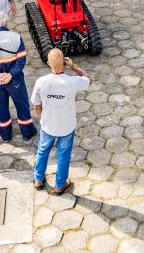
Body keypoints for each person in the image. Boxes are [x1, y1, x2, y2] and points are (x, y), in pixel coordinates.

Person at [31, 49, 91, 194]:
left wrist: (44, 116)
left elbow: (36, 106)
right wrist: (74, 67)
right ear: (64, 63)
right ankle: (60, 184)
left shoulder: (41, 82)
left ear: (48, 63)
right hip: (66, 126)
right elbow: (89, 80)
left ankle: (38, 180)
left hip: (48, 125)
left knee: (42, 151)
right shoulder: (72, 82)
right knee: (63, 155)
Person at [0, 11, 37, 142]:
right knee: (22, 105)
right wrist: (10, 74)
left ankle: (5, 135)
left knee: (1, 106)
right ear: (6, 22)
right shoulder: (16, 37)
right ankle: (27, 133)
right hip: (15, 80)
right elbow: (21, 60)